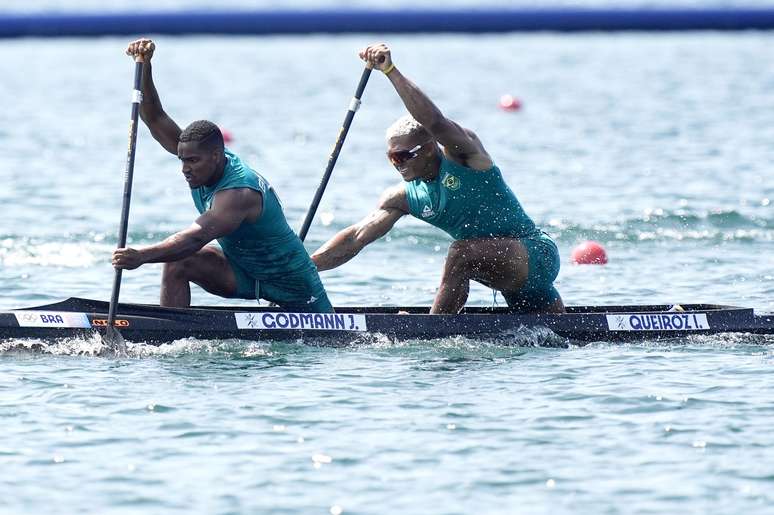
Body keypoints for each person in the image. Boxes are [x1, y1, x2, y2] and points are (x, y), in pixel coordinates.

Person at [311, 43, 564, 314]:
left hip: (536, 253)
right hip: (507, 272)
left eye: (404, 155)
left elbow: (435, 122)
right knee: (561, 335)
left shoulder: (465, 157)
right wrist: (302, 266)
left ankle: (434, 329)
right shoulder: (403, 197)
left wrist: (390, 71)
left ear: (431, 147)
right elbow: (355, 238)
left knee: (461, 252)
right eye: (392, 157)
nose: (397, 165)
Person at [112, 39, 332, 313]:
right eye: (182, 160)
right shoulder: (200, 158)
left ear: (217, 156)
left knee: (181, 251)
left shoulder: (238, 192)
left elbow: (195, 238)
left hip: (296, 289)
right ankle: (169, 334)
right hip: (245, 273)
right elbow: (155, 118)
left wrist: (141, 256)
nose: (185, 168)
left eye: (192, 161)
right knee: (179, 263)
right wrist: (145, 66)